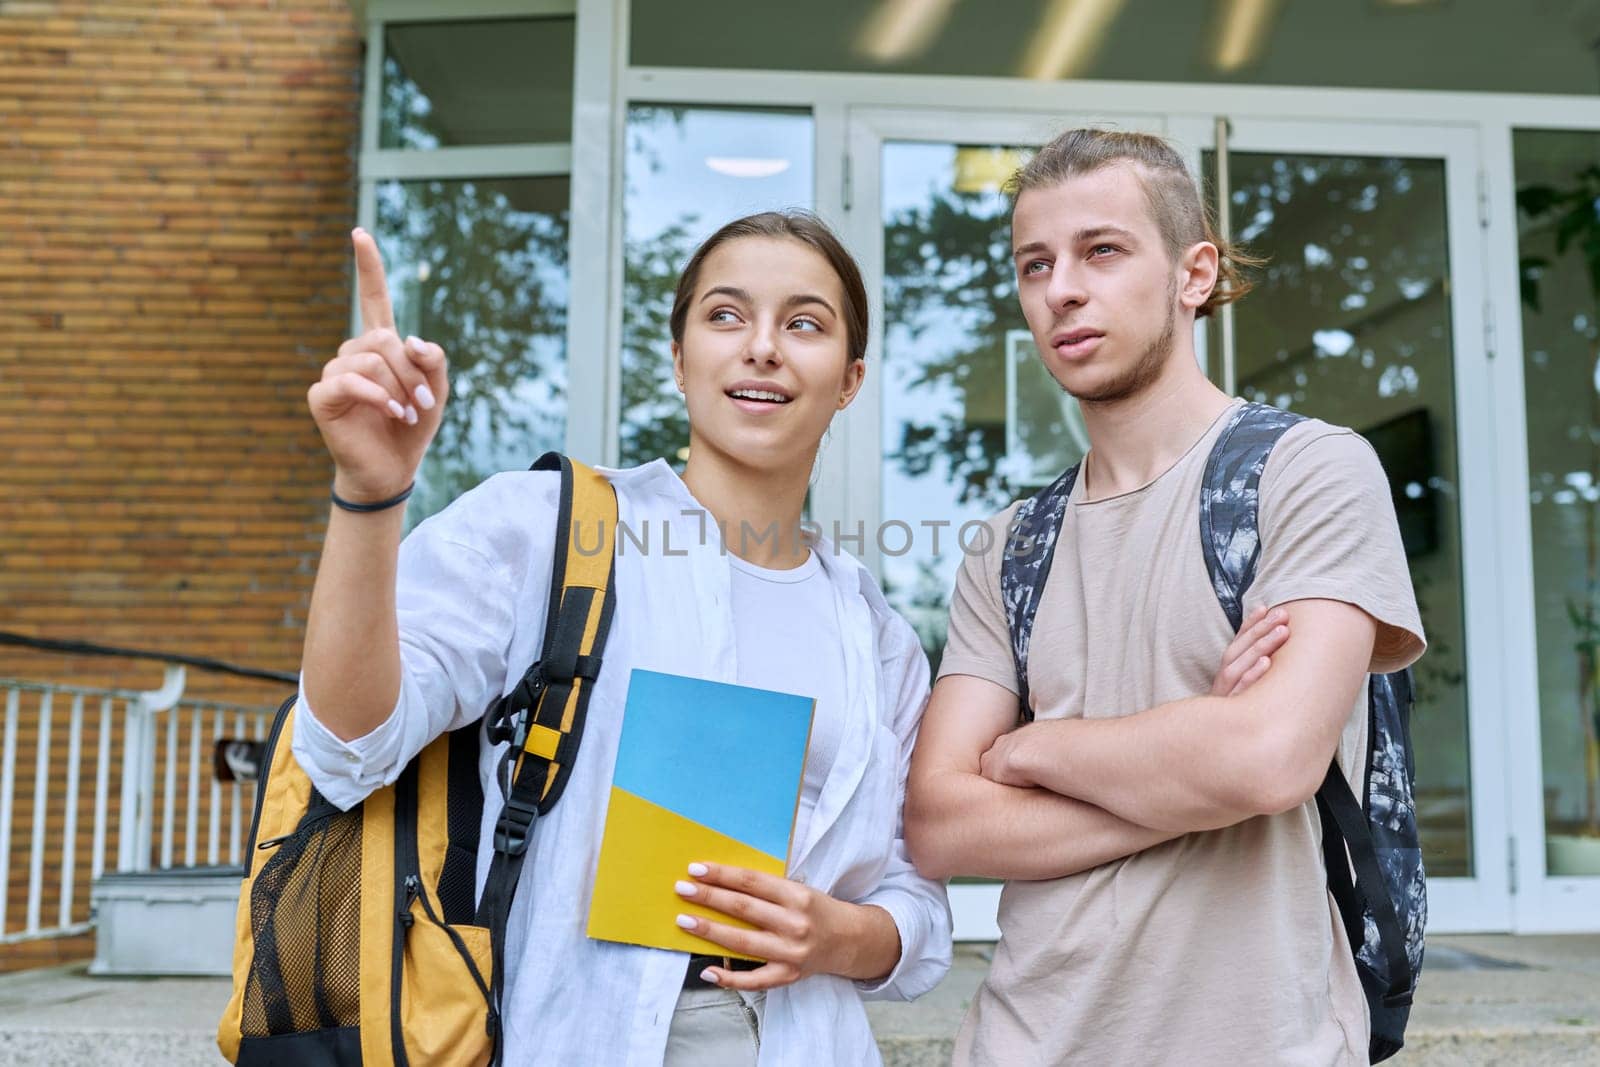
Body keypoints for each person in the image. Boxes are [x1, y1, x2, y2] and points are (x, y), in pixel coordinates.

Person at [289, 211, 953, 1066]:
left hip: (809, 1040)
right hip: (579, 1034)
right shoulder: (550, 532)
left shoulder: (878, 637)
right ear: (679, 360)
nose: (762, 347)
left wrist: (838, 935)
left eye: (804, 323)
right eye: (724, 315)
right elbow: (348, 745)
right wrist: (368, 495)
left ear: (851, 378)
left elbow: (917, 903)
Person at [904, 128, 1427, 1065]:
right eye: (1035, 263)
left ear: (1195, 274)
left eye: (1102, 250)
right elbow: (941, 825)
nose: (1062, 287)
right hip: (1023, 1043)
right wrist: (1200, 756)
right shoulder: (1009, 546)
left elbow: (1268, 761)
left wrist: (1032, 748)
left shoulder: (1307, 473)